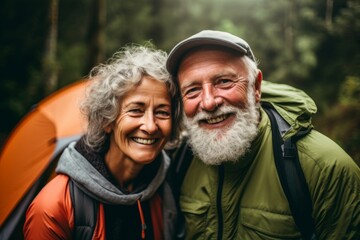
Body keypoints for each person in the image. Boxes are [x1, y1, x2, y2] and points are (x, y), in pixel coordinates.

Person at [166, 30, 360, 239]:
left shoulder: (326, 169)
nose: (209, 102)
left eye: (223, 81)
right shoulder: (179, 160)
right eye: (192, 90)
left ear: (256, 86)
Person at [23, 44, 183, 240]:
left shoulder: (167, 183)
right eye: (135, 110)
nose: (150, 126)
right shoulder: (53, 206)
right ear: (107, 120)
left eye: (162, 112)